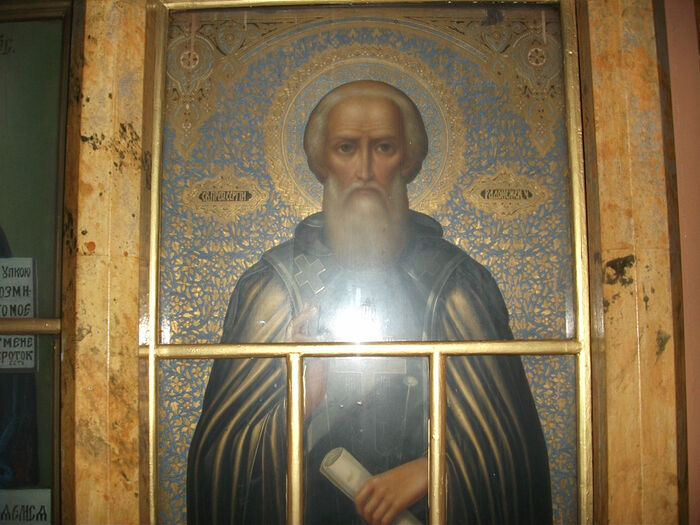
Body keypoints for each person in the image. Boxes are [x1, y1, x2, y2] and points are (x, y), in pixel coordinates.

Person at [187, 80, 552, 525]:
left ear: (408, 161)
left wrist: (434, 470)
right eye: (346, 148)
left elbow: (510, 454)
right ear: (322, 162)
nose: (364, 169)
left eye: (383, 147)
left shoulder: (456, 286)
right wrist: (299, 403)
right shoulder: (273, 289)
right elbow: (221, 462)